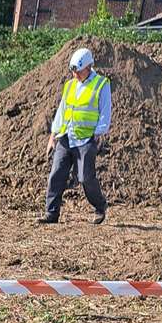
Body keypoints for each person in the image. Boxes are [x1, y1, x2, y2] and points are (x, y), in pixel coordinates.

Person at [39, 46, 111, 225]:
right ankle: (51, 214)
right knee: (56, 174)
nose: (75, 75)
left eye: (79, 72)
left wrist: (98, 133)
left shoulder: (101, 84)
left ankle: (100, 206)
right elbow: (62, 110)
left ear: (89, 67)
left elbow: (105, 111)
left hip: (86, 138)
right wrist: (53, 135)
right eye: (74, 72)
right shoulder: (70, 85)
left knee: (85, 178)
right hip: (66, 136)